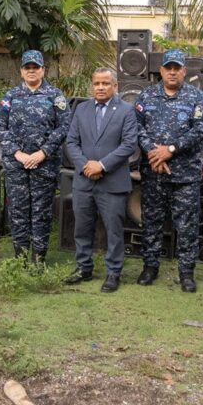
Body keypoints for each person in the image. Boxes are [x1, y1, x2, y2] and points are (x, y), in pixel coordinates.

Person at [135, 48, 203, 292]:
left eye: (177, 68)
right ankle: (150, 266)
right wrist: (153, 152)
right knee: (151, 221)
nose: (172, 72)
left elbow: (200, 130)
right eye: (168, 68)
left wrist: (170, 150)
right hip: (153, 172)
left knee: (187, 225)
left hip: (185, 175)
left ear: (184, 71)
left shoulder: (197, 97)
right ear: (161, 70)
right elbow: (136, 128)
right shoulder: (146, 96)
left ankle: (186, 272)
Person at [63, 68, 137, 292]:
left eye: (105, 83)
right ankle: (83, 267)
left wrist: (101, 165)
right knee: (82, 227)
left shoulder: (126, 110)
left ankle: (113, 272)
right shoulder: (81, 109)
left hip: (112, 182)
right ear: (92, 86)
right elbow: (71, 142)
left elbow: (129, 144)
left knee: (114, 230)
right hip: (84, 181)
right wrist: (86, 166)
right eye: (97, 83)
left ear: (115, 86)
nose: (101, 87)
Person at [0, 50, 70, 266]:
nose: (31, 71)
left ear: (43, 70)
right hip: (16, 165)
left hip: (44, 165)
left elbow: (64, 126)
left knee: (41, 212)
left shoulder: (55, 96)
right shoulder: (10, 97)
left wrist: (42, 153)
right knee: (18, 211)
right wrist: (17, 153)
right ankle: (20, 260)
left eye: (35, 67)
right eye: (27, 67)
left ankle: (39, 259)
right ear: (21, 71)